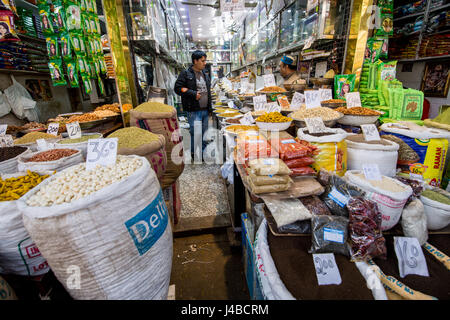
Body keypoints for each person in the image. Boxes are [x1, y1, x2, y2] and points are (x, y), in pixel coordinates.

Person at [174, 50, 212, 160]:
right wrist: (193, 93)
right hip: (194, 110)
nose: (205, 63)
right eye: (202, 61)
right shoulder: (186, 74)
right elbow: (177, 88)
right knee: (196, 133)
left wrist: (210, 108)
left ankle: (203, 152)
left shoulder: (205, 74)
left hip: (205, 109)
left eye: (205, 61)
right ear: (195, 61)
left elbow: (208, 92)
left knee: (204, 133)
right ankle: (195, 154)